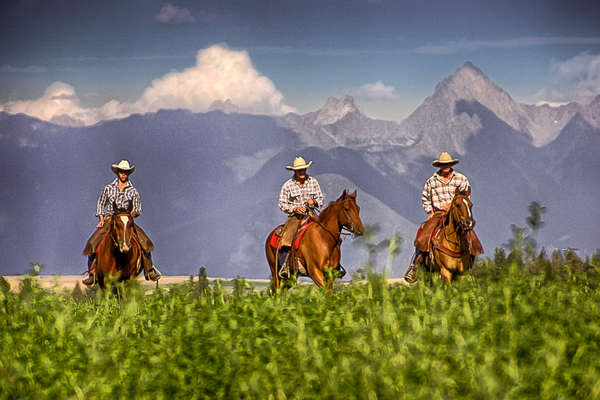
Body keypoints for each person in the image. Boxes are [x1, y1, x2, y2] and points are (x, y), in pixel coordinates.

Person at [404, 152, 482, 282]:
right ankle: (416, 266)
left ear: (451, 165)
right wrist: (430, 211)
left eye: (448, 164)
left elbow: (465, 197)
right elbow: (425, 197)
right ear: (439, 166)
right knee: (423, 235)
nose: (446, 167)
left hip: (457, 213)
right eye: (443, 165)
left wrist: (455, 207)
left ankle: (471, 267)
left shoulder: (461, 179)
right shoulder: (431, 181)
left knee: (471, 237)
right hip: (438, 213)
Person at [82, 160, 161, 285]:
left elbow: (138, 208)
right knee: (93, 241)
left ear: (128, 174)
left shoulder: (134, 191)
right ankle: (92, 272)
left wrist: (132, 214)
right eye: (122, 172)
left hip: (127, 220)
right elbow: (101, 204)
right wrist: (101, 220)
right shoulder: (108, 188)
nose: (123, 174)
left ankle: (149, 269)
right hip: (110, 219)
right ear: (118, 173)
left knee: (144, 241)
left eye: (126, 172)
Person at [277, 156, 324, 277]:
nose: (301, 172)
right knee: (287, 238)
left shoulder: (313, 182)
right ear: (294, 171)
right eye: (299, 170)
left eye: (303, 169)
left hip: (311, 214)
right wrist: (294, 209)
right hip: (295, 218)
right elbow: (281, 204)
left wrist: (314, 202)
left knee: (328, 232)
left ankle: (333, 264)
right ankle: (284, 267)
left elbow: (320, 198)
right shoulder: (287, 185)